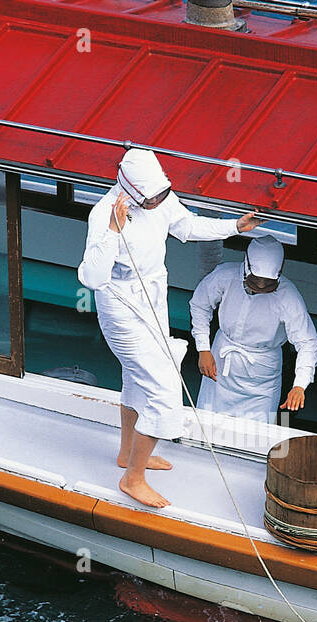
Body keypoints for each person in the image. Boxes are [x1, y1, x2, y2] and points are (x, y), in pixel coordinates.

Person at [77, 149, 261, 507]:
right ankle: (133, 478)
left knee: (134, 378)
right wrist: (114, 231)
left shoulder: (158, 197)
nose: (159, 202)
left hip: (152, 295)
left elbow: (188, 226)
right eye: (152, 197)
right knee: (162, 391)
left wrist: (233, 228)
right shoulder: (103, 215)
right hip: (120, 303)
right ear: (131, 190)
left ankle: (127, 453)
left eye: (162, 194)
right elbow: (92, 277)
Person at [191, 235, 317, 424]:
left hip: (261, 379)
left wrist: (299, 385)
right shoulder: (225, 276)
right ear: (246, 269)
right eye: (255, 281)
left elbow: (308, 343)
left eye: (267, 284)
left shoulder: (288, 296)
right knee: (207, 425)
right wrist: (203, 348)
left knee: (255, 436)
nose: (260, 288)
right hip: (220, 364)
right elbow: (200, 304)